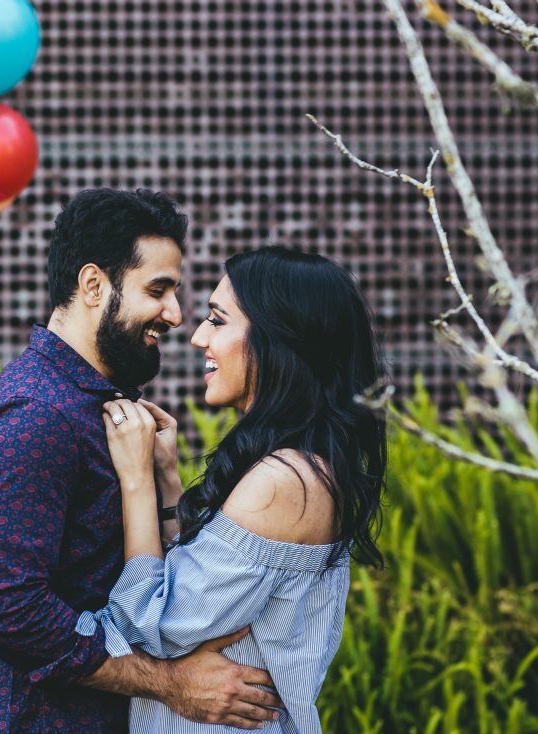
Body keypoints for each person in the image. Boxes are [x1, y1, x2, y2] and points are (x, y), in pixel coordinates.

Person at [0, 189, 284, 733]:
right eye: (158, 290)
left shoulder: (97, 408)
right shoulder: (35, 416)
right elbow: (5, 606)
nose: (175, 314)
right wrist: (167, 681)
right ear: (93, 285)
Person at [89, 246, 388, 732]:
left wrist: (136, 482)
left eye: (218, 320)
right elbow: (186, 585)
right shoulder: (297, 467)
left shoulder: (285, 482)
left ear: (279, 340)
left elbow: (152, 626)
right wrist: (166, 477)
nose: (198, 337)